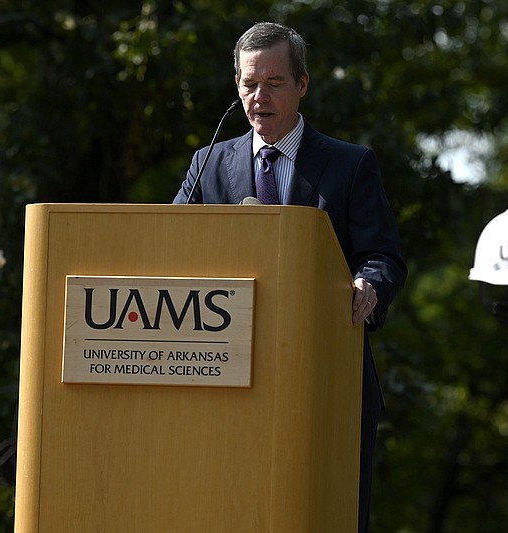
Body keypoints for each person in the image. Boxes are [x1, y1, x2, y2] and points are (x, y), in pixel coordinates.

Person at [173, 22, 407, 532]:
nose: (259, 97)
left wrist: (369, 287)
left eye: (274, 84)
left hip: (326, 376)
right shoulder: (207, 163)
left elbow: (383, 257)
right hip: (225, 378)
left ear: (302, 85)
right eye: (249, 84)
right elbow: (172, 253)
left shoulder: (350, 165)